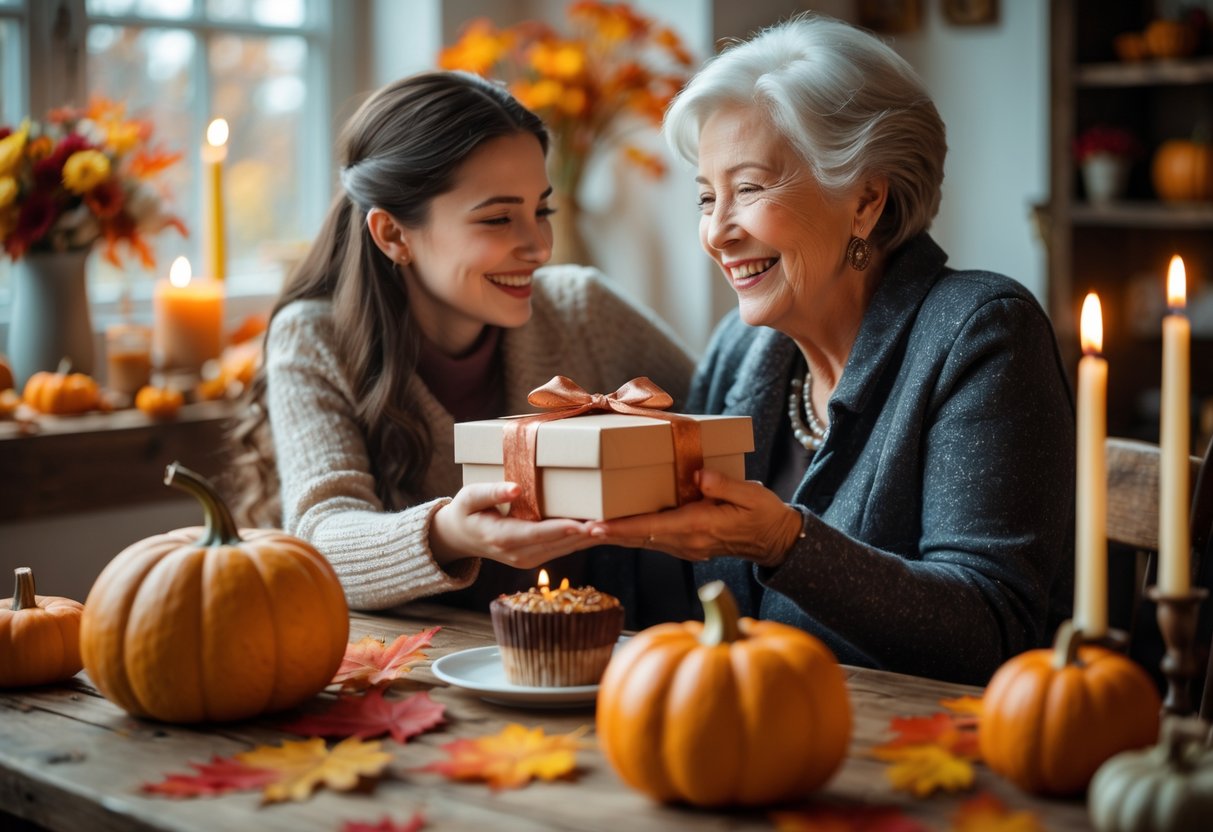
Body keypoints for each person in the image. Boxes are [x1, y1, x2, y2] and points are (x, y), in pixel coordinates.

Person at [589, 15, 1076, 685]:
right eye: (707, 197)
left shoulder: (982, 332)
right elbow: (668, 595)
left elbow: (989, 630)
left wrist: (784, 543)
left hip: (925, 759)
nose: (716, 233)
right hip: (744, 746)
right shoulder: (742, 347)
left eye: (750, 189)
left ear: (864, 201)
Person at [229, 71, 696, 624]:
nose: (539, 246)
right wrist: (449, 534)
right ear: (393, 235)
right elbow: (321, 539)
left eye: (541, 210)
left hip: (593, 660)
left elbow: (720, 420)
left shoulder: (583, 308)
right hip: (409, 669)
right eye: (498, 218)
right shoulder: (315, 338)